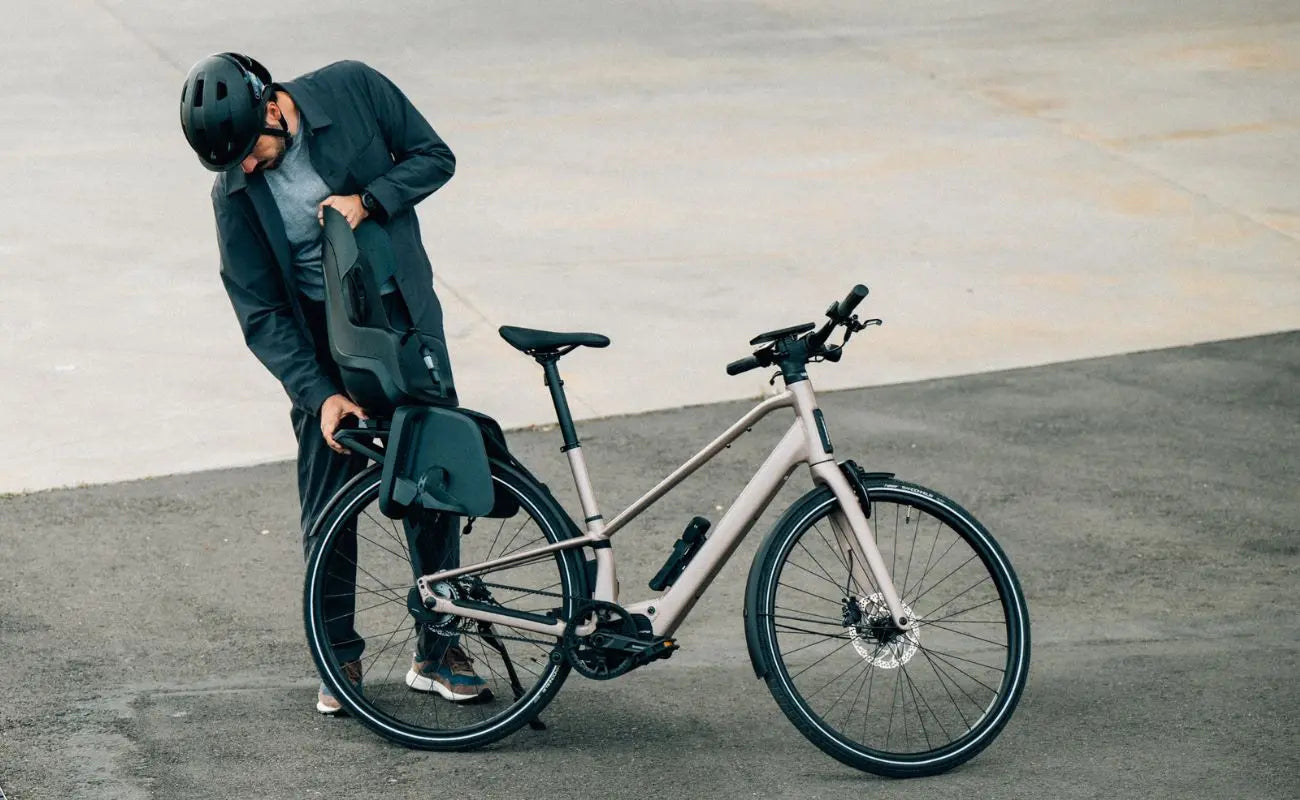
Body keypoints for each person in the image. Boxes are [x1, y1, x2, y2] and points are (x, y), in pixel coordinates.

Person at [179, 53, 488, 713]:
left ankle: (438, 650)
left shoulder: (353, 89)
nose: (251, 169)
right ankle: (338, 655)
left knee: (434, 482)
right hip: (324, 348)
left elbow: (435, 156)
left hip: (403, 322)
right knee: (328, 502)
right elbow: (259, 312)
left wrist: (367, 201)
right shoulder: (234, 191)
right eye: (235, 164)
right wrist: (320, 395)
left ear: (271, 106)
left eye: (255, 153)